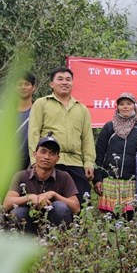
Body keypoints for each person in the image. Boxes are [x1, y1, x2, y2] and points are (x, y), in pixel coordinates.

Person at [28, 66, 95, 201]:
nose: (64, 82)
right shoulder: (41, 103)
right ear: (51, 84)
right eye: (60, 79)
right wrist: (35, 159)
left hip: (75, 163)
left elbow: (87, 138)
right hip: (49, 161)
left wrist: (88, 162)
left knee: (81, 203)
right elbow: (33, 133)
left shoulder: (81, 109)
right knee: (47, 203)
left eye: (68, 79)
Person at [4, 134, 80, 235]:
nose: (47, 157)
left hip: (54, 229)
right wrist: (29, 198)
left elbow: (76, 207)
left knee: (60, 207)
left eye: (52, 153)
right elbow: (7, 204)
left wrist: (54, 195)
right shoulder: (21, 176)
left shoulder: (64, 177)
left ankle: (58, 246)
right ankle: (25, 248)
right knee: (18, 212)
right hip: (28, 226)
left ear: (57, 158)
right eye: (43, 151)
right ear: (35, 154)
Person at [94, 93, 137, 217]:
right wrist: (97, 179)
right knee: (111, 220)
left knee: (131, 218)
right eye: (121, 104)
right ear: (117, 107)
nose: (125, 107)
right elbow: (99, 154)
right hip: (110, 182)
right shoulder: (109, 127)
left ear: (134, 107)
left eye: (129, 104)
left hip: (131, 182)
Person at [17, 72, 37, 170]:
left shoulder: (38, 112)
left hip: (31, 165)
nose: (23, 87)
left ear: (33, 87)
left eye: (27, 84)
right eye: (19, 84)